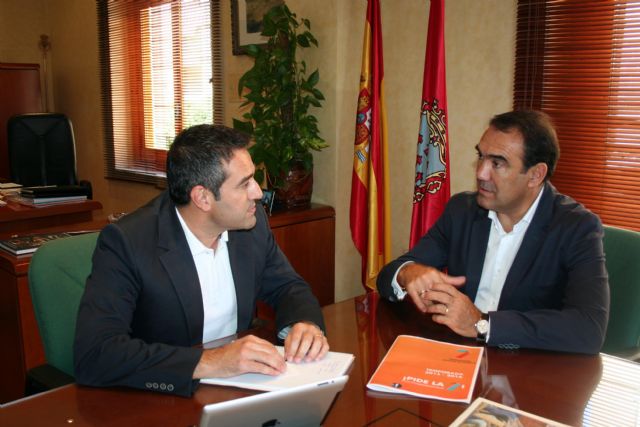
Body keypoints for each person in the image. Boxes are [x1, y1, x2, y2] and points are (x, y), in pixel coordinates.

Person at [74, 124, 329, 396]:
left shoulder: (251, 225)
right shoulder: (128, 242)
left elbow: (288, 286)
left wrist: (304, 324)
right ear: (202, 198)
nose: (258, 193)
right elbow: (95, 354)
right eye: (244, 184)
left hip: (239, 388)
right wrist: (212, 362)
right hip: (161, 398)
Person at [377, 110, 609, 354]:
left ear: (535, 175)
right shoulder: (462, 211)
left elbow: (589, 328)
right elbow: (388, 276)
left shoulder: (576, 227)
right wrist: (408, 272)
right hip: (459, 355)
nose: (480, 173)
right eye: (481, 156)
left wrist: (483, 325)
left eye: (497, 163)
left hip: (527, 365)